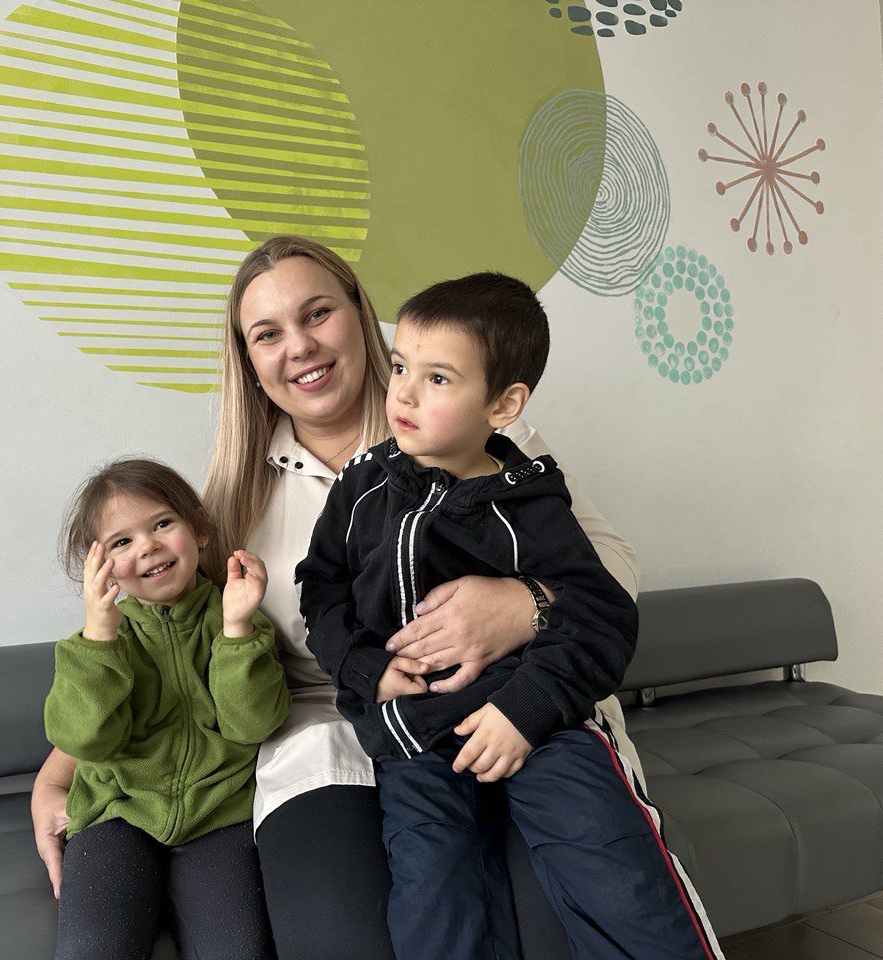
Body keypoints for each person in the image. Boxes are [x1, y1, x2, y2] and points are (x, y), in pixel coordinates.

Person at [32, 236, 647, 959]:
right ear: (249, 360)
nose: (299, 346)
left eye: (317, 313)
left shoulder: (475, 432)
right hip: (321, 734)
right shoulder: (228, 503)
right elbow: (167, 645)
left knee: (556, 922)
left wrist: (520, 604)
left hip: (504, 711)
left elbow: (612, 574)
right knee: (343, 938)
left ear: (361, 315)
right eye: (268, 334)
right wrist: (57, 772)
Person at [296, 274, 724, 960]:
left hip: (537, 723)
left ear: (503, 403)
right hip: (417, 735)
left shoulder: (529, 502)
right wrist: (363, 667)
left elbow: (601, 616)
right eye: (400, 367)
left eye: (438, 378)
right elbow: (321, 588)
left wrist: (525, 711)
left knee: (616, 871)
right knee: (433, 900)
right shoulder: (362, 487)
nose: (403, 393)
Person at [45, 458, 289, 960]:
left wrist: (237, 630)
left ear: (199, 530)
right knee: (93, 950)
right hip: (116, 814)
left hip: (220, 816)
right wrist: (99, 637)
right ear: (98, 565)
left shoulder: (239, 619)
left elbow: (253, 725)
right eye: (121, 541)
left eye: (161, 524)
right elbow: (83, 739)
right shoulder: (95, 644)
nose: (147, 546)